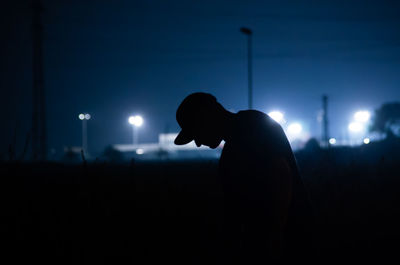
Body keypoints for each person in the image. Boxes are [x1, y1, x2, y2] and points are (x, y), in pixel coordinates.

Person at [174, 92, 313, 264]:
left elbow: (280, 174)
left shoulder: (251, 128)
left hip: (286, 244)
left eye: (195, 133)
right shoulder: (250, 126)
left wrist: (273, 240)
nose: (197, 142)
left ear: (206, 119)